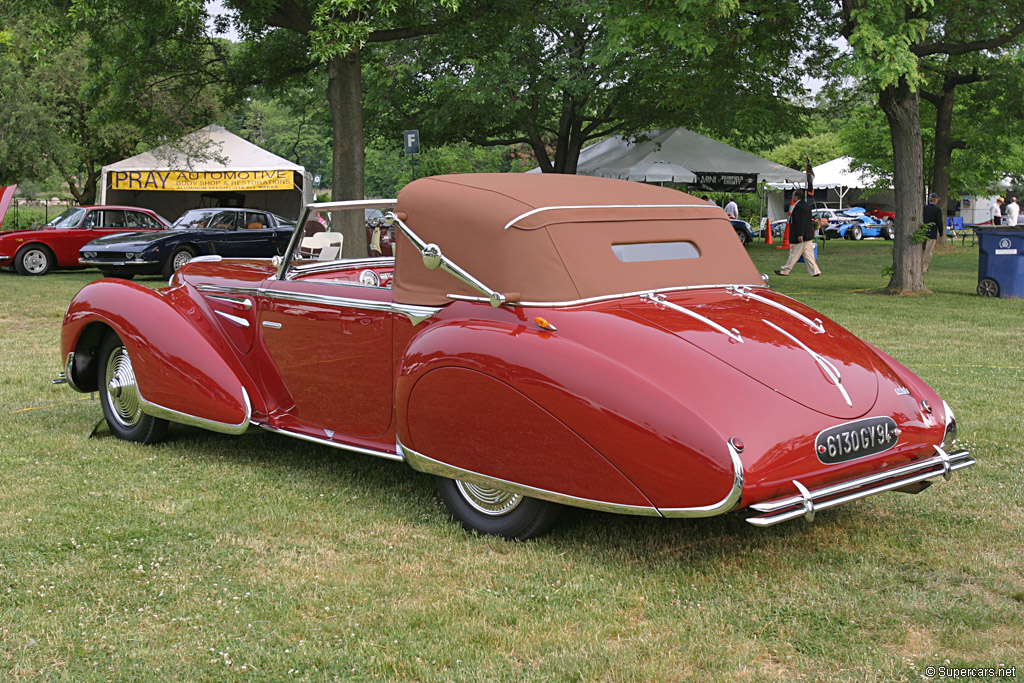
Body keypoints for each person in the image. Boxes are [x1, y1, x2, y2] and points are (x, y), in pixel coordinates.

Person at [774, 189, 821, 277]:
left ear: (796, 196)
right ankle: (815, 271)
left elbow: (800, 222)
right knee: (809, 255)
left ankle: (785, 270)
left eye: (793, 196)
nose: (792, 198)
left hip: (801, 235)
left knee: (794, 253)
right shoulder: (806, 205)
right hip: (808, 235)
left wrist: (800, 234)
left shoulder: (799, 207)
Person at [922, 192, 942, 273]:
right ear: (935, 200)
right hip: (932, 233)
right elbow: (939, 222)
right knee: (928, 251)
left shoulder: (924, 208)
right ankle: (924, 267)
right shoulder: (937, 210)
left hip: (923, 232)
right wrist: (941, 233)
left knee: (921, 250)